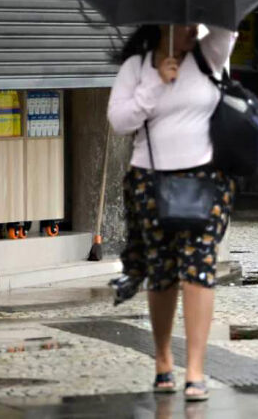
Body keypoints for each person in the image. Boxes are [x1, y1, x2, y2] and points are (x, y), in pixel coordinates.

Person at [107, 23, 237, 401]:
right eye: (181, 23)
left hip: (205, 180)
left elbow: (227, 27)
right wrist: (155, 84)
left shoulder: (208, 55)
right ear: (160, 25)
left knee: (199, 268)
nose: (188, 30)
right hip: (150, 182)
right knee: (162, 272)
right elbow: (119, 122)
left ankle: (195, 369)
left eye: (192, 22)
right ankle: (163, 358)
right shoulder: (138, 66)